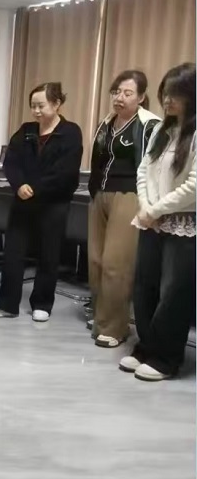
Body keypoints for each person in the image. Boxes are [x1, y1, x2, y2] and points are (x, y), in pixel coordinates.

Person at [120, 63, 196, 381]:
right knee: (145, 286)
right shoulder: (162, 130)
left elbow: (194, 185)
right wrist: (146, 207)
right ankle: (146, 347)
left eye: (175, 95)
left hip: (184, 224)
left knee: (174, 292)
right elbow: (144, 171)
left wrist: (156, 209)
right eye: (165, 93)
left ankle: (167, 358)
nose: (167, 101)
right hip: (152, 220)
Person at [0, 83, 83, 322]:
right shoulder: (26, 130)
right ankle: (6, 303)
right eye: (33, 106)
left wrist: (36, 188)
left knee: (49, 253)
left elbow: (66, 171)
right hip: (23, 200)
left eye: (41, 105)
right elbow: (11, 162)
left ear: (57, 104)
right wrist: (19, 185)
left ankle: (42, 303)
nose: (36, 111)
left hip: (53, 203)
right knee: (13, 252)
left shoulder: (70, 132)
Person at [88, 70, 160, 348]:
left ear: (141, 97)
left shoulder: (149, 125)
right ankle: (102, 316)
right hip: (100, 193)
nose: (119, 97)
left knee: (116, 263)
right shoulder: (106, 122)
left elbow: (154, 167)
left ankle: (115, 327)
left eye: (127, 93)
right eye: (116, 92)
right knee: (96, 261)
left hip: (129, 195)